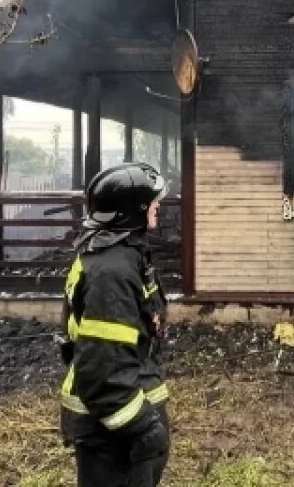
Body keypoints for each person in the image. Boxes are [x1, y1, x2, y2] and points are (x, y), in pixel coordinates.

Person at [60, 162, 171, 487]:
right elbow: (103, 368)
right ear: (132, 210)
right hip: (113, 435)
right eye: (152, 200)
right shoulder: (112, 273)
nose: (158, 206)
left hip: (117, 425)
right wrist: (143, 426)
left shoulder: (120, 254)